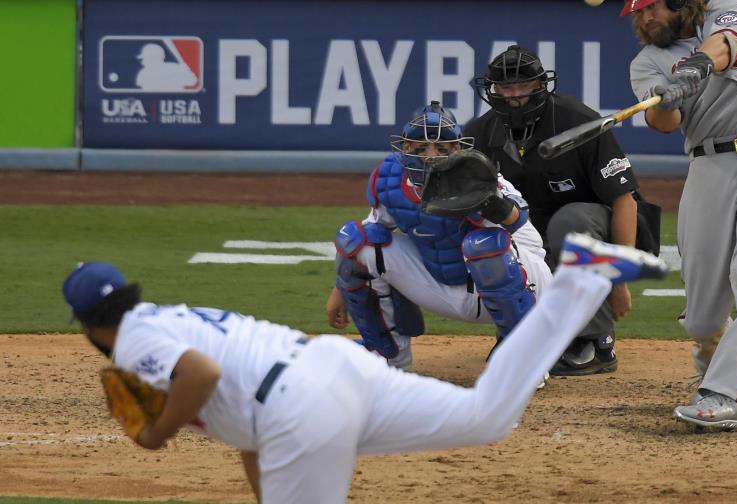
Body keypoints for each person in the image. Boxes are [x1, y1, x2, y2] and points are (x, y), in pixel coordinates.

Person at [61, 234, 668, 504]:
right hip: (333, 369)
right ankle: (581, 277)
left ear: (89, 324)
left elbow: (199, 377)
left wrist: (155, 435)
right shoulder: (166, 316)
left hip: (300, 407)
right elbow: (248, 432)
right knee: (487, 417)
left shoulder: (133, 339)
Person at [622, 0, 737, 430]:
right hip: (710, 165)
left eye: (652, 8)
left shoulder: (727, 6)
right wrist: (665, 99)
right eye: (637, 14)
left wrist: (693, 69)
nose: (645, 19)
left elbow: (724, 44)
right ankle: (712, 353)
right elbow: (665, 123)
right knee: (703, 315)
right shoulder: (646, 63)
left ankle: (727, 393)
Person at [464, 45, 659, 377]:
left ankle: (594, 341)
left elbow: (623, 200)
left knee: (569, 222)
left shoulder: (578, 122)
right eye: (506, 87)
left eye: (522, 86)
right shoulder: (480, 133)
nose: (514, 96)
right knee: (488, 231)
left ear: (541, 86)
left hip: (600, 228)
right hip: (533, 232)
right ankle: (519, 332)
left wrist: (619, 278)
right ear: (492, 90)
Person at [325, 101, 553, 373]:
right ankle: (388, 357)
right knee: (355, 242)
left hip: (524, 282)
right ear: (406, 147)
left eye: (441, 149)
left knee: (484, 246)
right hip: (444, 286)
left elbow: (519, 221)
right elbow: (369, 233)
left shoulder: (478, 176)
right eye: (421, 148)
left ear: (457, 149)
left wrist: (490, 201)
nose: (430, 156)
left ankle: (526, 360)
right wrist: (340, 290)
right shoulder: (390, 180)